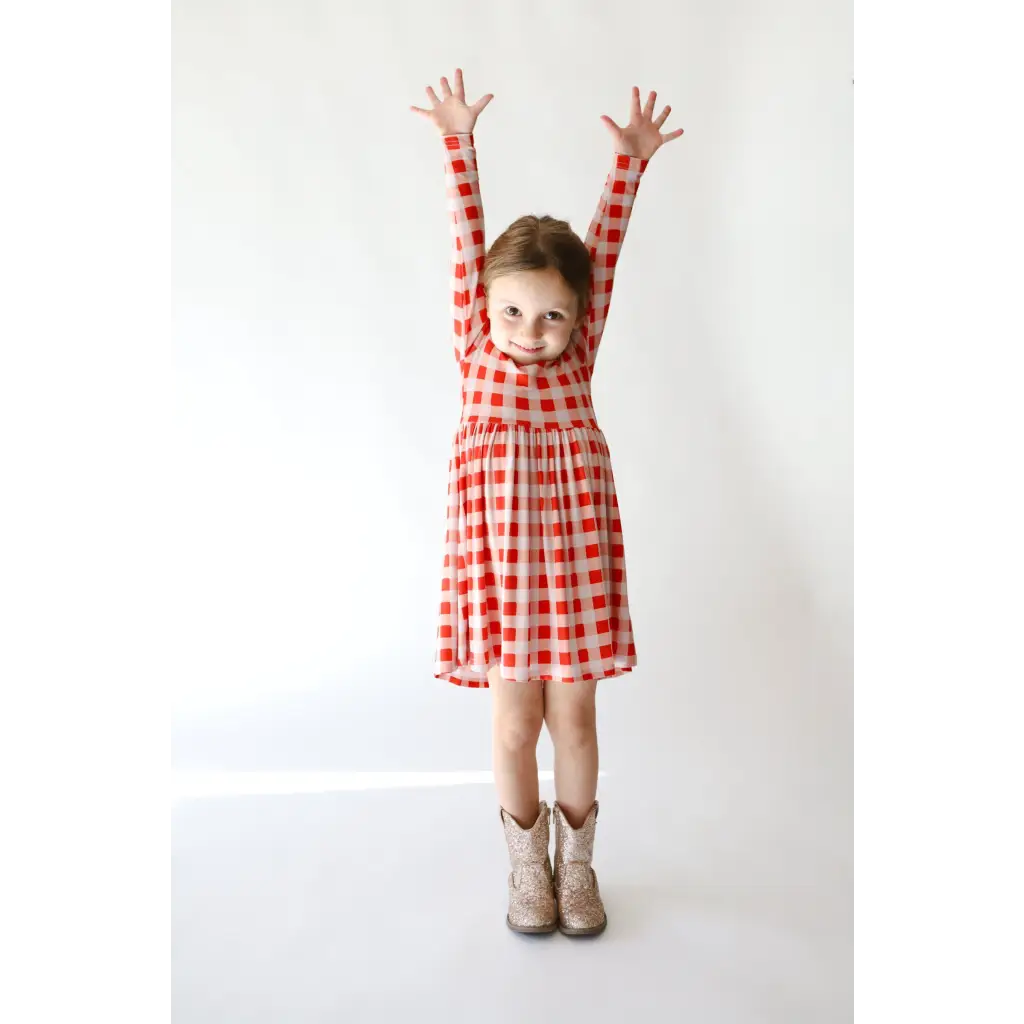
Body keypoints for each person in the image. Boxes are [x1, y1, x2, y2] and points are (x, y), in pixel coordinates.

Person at [412, 69, 683, 936]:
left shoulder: (575, 362)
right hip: (499, 570)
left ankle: (578, 870)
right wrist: (460, 142)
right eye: (516, 312)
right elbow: (466, 238)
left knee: (575, 713)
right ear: (486, 309)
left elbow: (603, 250)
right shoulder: (476, 347)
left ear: (578, 319)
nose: (533, 331)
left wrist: (627, 169)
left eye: (553, 316)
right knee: (512, 720)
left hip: (570, 564)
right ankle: (525, 872)